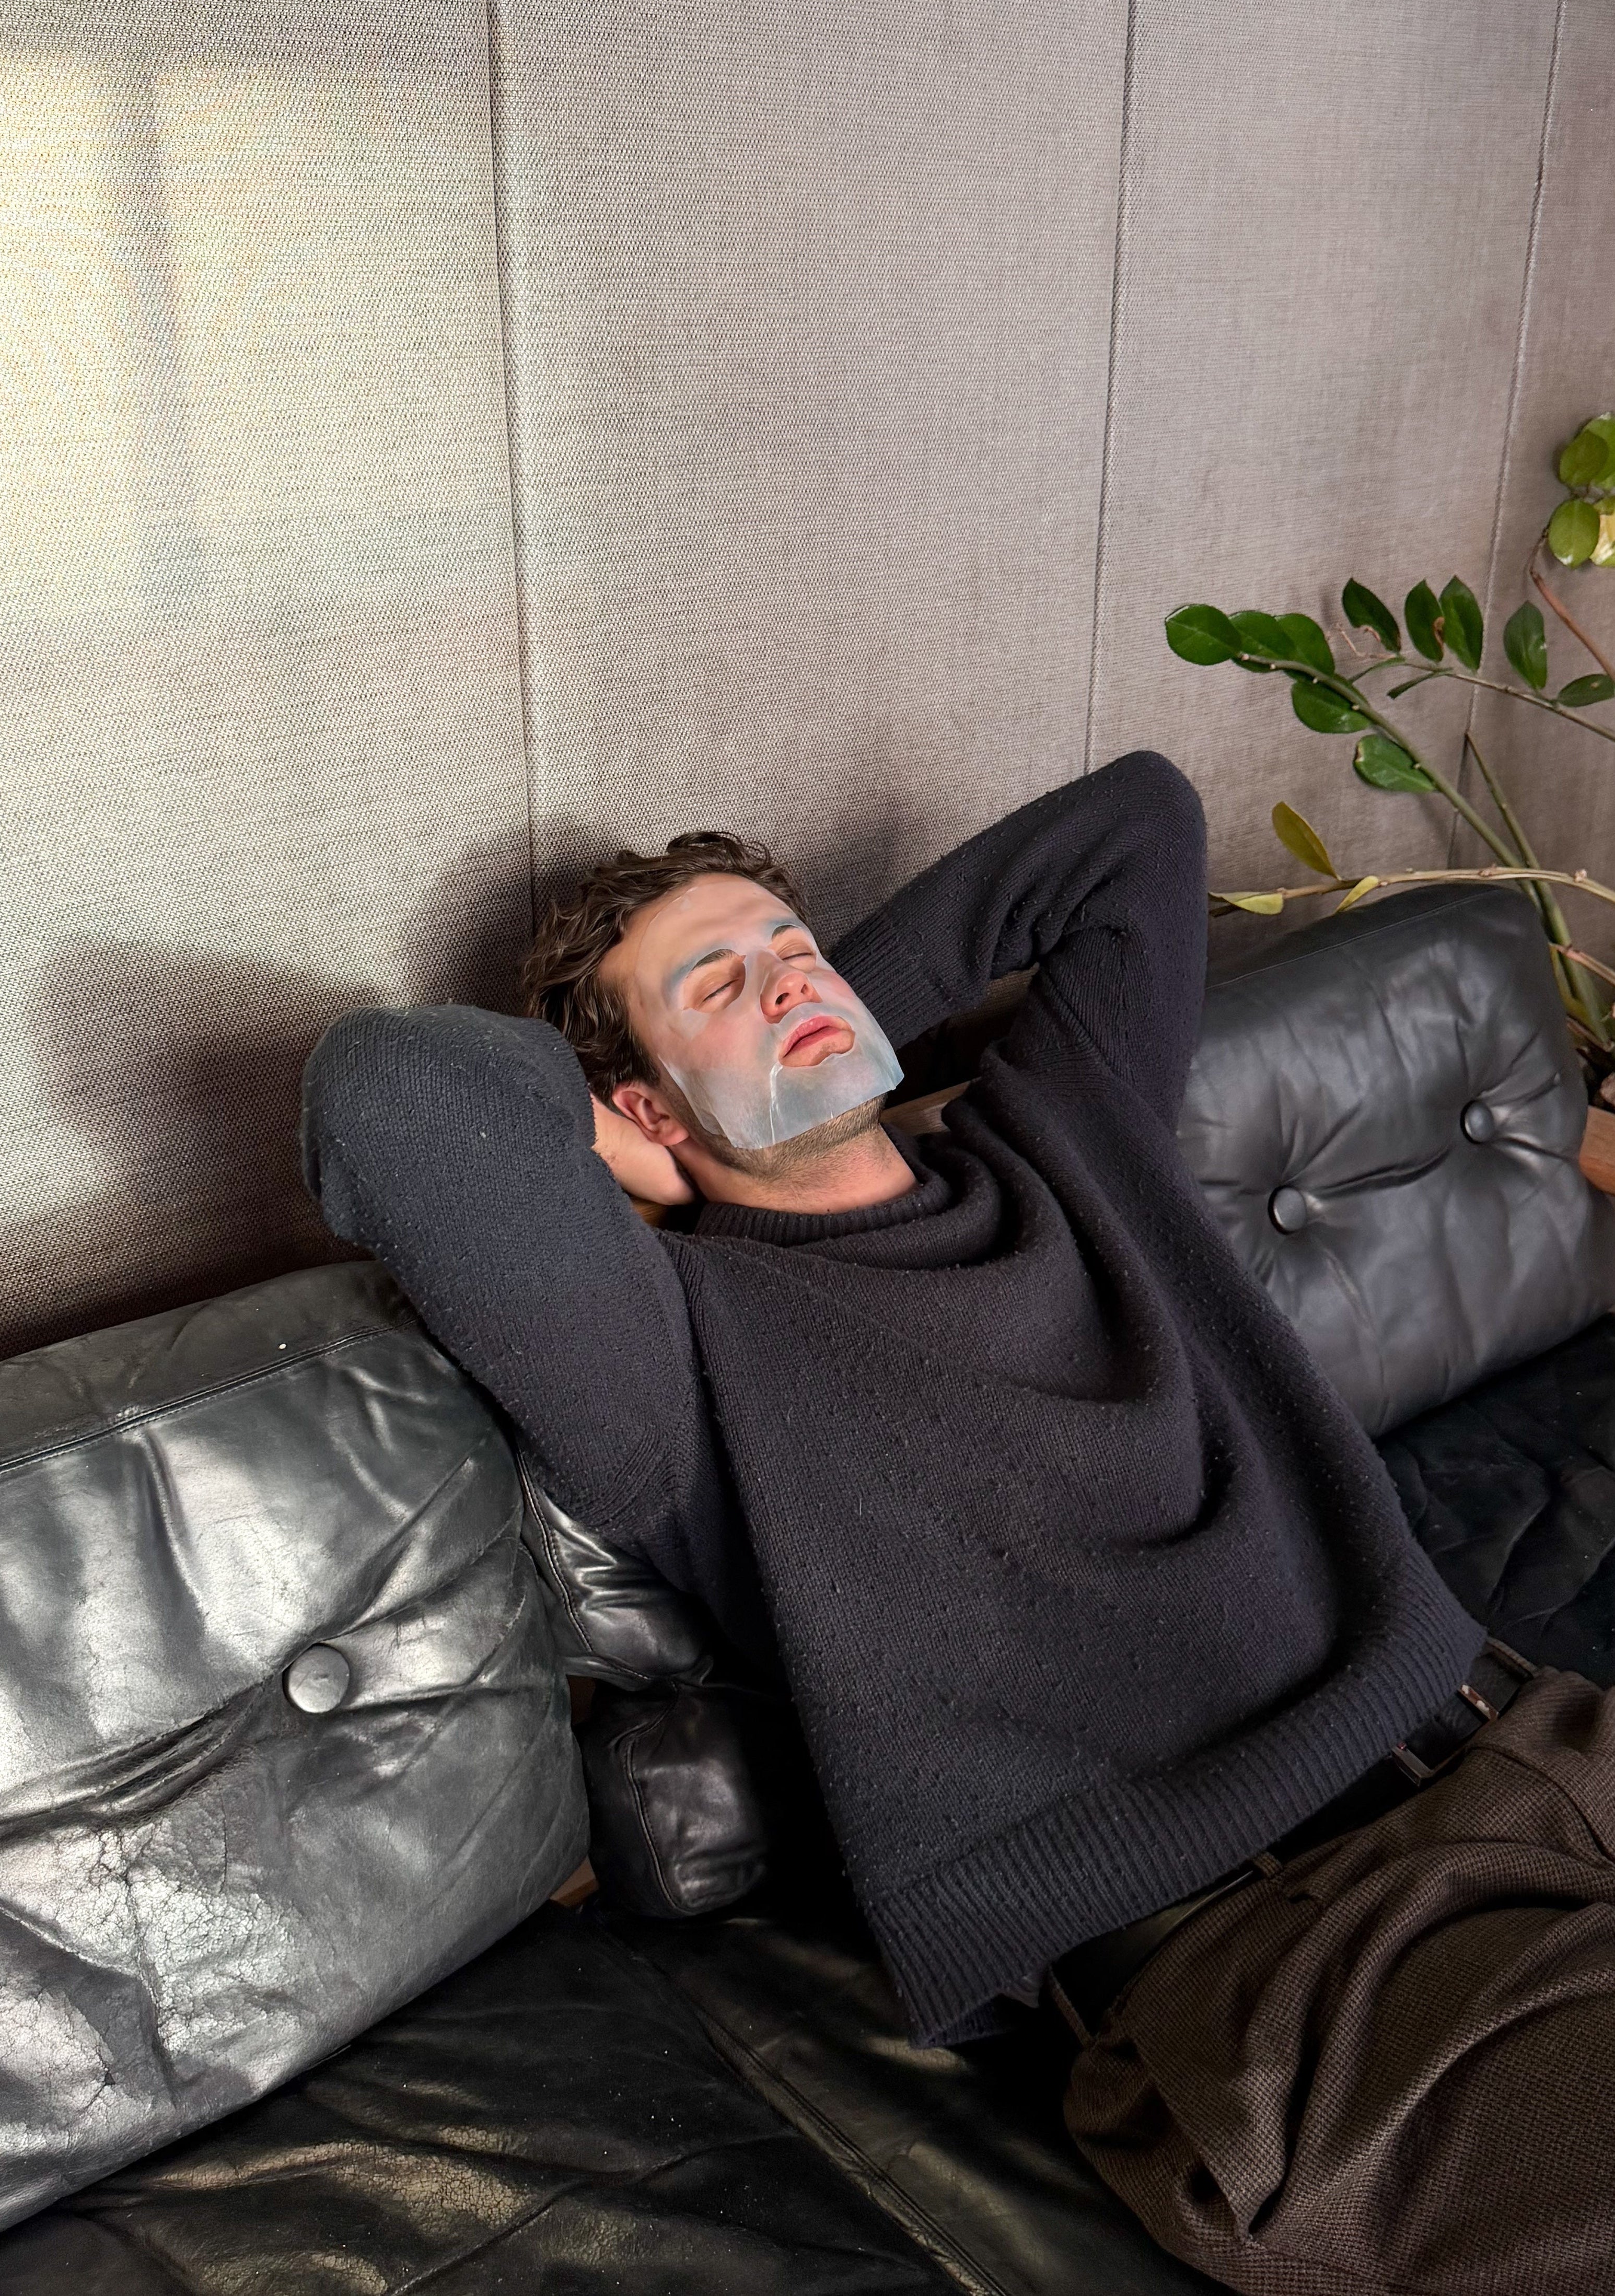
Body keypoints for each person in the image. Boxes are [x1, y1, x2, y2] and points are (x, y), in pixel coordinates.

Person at [303, 752, 1615, 2295]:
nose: (786, 979)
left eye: (796, 949)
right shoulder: (672, 1352)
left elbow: (1134, 827)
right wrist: (625, 1128)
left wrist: (816, 1006)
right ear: (642, 1103)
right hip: (1292, 1977)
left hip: (1520, 1742)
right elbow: (378, 1091)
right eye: (716, 984)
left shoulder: (1064, 1137)